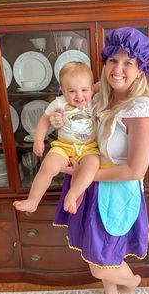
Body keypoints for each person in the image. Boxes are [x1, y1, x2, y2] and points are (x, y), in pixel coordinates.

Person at [52, 27, 149, 294]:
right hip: (93, 183)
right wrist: (57, 116)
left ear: (140, 68)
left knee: (100, 261)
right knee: (99, 251)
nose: (118, 69)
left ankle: (133, 281)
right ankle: (112, 293)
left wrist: (86, 174)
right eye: (113, 61)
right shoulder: (102, 93)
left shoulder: (142, 110)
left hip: (116, 189)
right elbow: (69, 96)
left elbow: (135, 170)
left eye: (128, 62)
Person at [13, 61, 100, 214]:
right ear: (63, 91)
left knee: (92, 165)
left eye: (84, 90)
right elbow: (44, 120)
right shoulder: (59, 102)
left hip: (88, 147)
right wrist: (38, 140)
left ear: (92, 88)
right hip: (63, 146)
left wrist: (93, 88)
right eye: (72, 91)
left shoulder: (93, 101)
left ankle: (73, 194)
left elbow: (103, 86)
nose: (79, 95)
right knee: (47, 166)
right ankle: (33, 200)